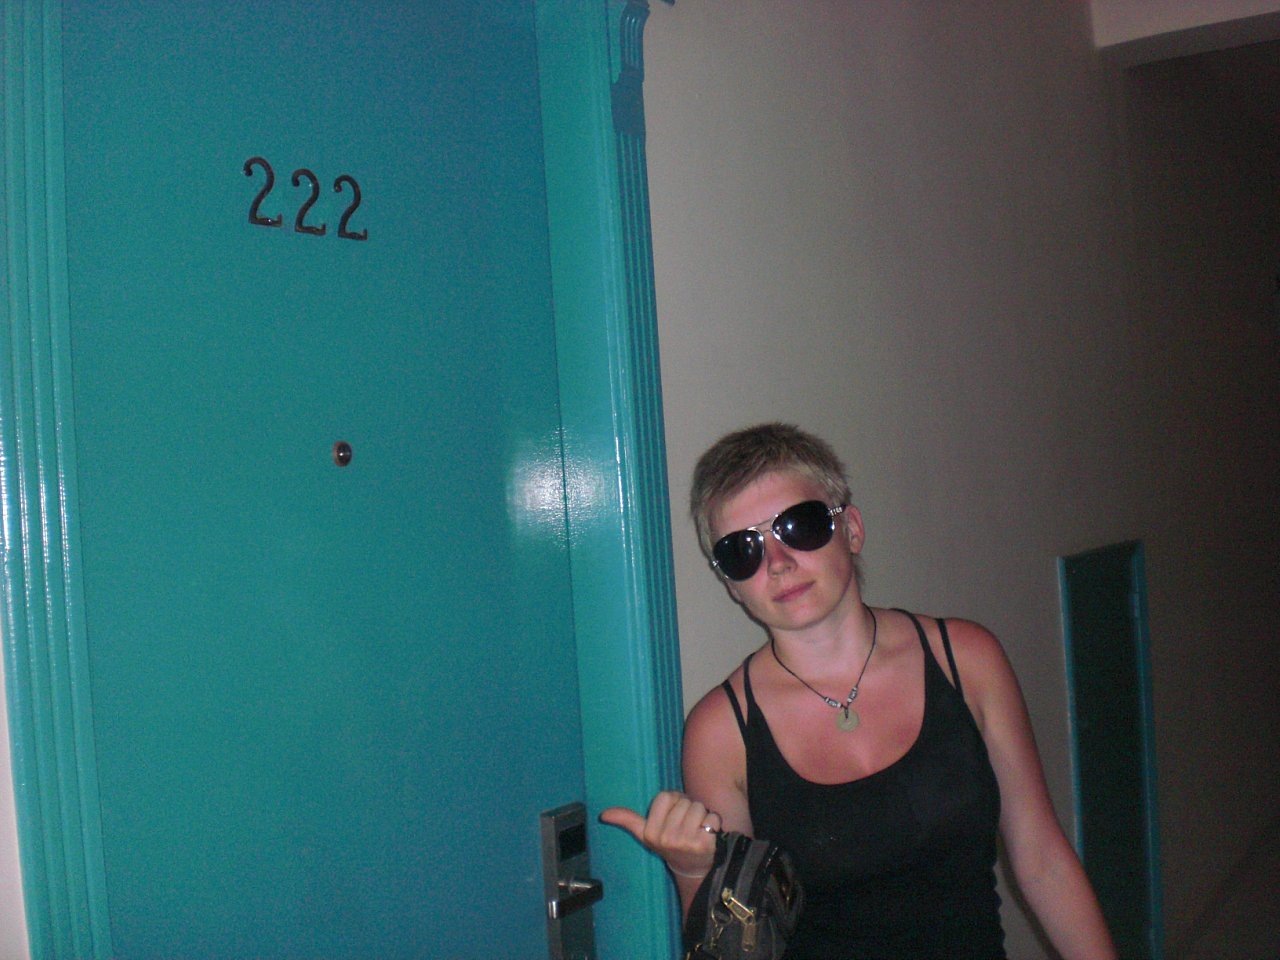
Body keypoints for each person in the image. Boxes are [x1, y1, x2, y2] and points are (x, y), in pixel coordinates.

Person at [601, 423, 1116, 959]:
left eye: (798, 526)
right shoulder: (721, 731)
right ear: (730, 583)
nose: (778, 563)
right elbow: (735, 946)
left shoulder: (966, 659)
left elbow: (1043, 861)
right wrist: (693, 872)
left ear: (850, 529)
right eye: (742, 551)